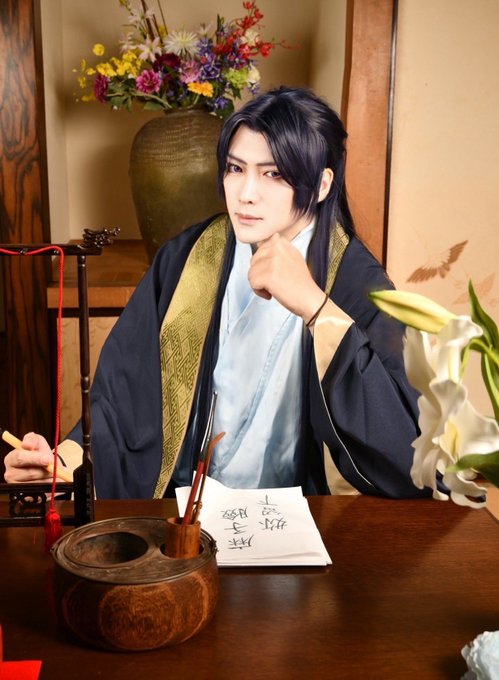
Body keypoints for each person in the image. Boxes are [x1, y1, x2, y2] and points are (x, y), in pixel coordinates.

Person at [4, 86, 430, 500]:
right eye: (235, 168)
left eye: (273, 174)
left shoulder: (356, 282)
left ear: (321, 184)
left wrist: (317, 308)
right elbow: (123, 403)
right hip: (187, 511)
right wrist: (66, 462)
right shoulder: (187, 258)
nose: (245, 194)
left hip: (302, 516)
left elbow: (405, 449)